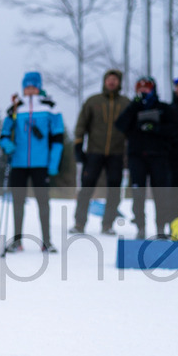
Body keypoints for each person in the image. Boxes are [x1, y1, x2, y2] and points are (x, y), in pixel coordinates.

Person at [0, 71, 64, 253]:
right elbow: (4, 133)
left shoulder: (50, 107)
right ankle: (17, 240)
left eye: (33, 86)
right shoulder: (15, 107)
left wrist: (53, 163)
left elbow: (58, 137)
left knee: (43, 202)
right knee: (18, 202)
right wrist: (7, 144)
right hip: (18, 163)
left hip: (41, 163)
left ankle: (47, 241)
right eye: (27, 87)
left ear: (39, 87)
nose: (30, 90)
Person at [71, 69, 130, 234]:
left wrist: (129, 151)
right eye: (109, 79)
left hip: (117, 154)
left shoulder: (126, 103)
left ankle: (108, 224)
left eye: (115, 80)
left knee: (114, 190)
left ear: (119, 83)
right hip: (94, 152)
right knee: (86, 188)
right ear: (104, 81)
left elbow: (132, 128)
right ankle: (79, 223)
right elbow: (81, 124)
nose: (111, 82)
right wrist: (78, 144)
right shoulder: (93, 101)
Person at [115, 76, 173, 238]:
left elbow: (173, 130)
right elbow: (120, 125)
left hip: (159, 156)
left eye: (146, 87)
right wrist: (134, 106)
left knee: (161, 194)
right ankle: (140, 226)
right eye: (139, 88)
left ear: (153, 89)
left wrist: (155, 128)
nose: (143, 91)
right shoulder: (133, 108)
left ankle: (161, 227)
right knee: (138, 194)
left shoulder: (163, 108)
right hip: (137, 157)